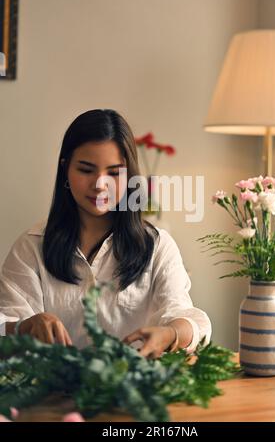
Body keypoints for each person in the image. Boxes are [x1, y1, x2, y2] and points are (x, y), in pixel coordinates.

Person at [0, 109, 211, 358]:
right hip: (51, 394)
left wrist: (170, 334)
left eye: (113, 173)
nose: (100, 184)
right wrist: (24, 327)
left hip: (130, 392)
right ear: (65, 169)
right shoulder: (32, 247)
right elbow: (6, 325)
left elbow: (189, 319)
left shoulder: (157, 246)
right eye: (86, 169)